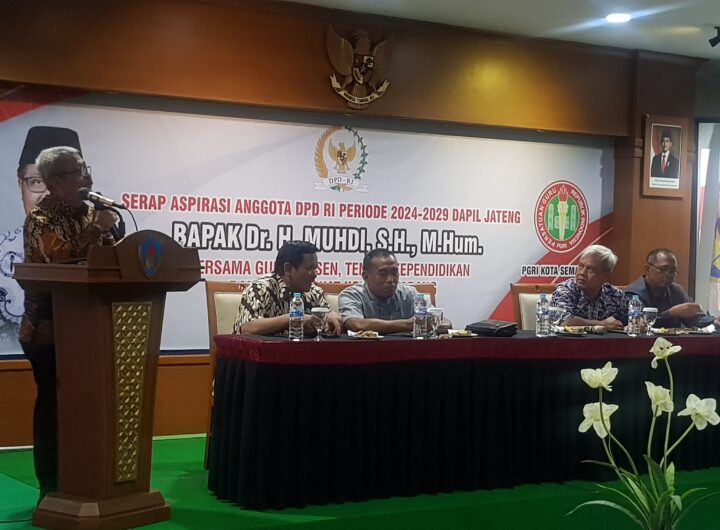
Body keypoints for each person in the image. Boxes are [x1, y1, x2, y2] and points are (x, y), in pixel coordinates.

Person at [19, 146, 116, 501]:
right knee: (54, 407)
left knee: (87, 406)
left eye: (86, 168)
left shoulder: (91, 212)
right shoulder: (40, 219)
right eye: (79, 171)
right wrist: (94, 231)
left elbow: (112, 259)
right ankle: (50, 486)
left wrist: (111, 238)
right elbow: (55, 258)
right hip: (48, 331)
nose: (87, 177)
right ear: (56, 181)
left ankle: (85, 480)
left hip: (90, 327)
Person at [1, 127, 81, 350]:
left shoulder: (96, 241)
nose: (47, 194)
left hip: (86, 352)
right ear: (21, 185)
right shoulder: (2, 251)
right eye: (37, 182)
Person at [232, 241, 342, 336]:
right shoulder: (259, 289)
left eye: (315, 268)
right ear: (288, 269)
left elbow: (326, 317)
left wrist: (330, 317)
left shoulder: (314, 292)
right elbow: (248, 329)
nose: (315, 275)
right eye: (309, 269)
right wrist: (293, 318)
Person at [339, 248, 450, 334]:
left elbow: (443, 321)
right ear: (366, 277)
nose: (390, 280)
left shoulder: (409, 294)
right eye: (383, 274)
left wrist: (439, 325)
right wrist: (408, 325)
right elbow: (356, 325)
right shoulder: (352, 295)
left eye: (395, 273)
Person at [625, 248, 719, 328]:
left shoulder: (676, 291)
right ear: (647, 269)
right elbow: (639, 324)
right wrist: (671, 313)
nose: (669, 275)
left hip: (675, 343)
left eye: (673, 271)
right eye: (663, 269)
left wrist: (714, 321)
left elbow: (694, 319)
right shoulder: (634, 293)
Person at [552, 244, 627, 331]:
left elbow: (635, 318)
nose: (582, 273)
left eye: (590, 269)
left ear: (605, 276)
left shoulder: (615, 296)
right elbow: (565, 321)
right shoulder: (565, 289)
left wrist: (632, 325)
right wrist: (603, 324)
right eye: (581, 266)